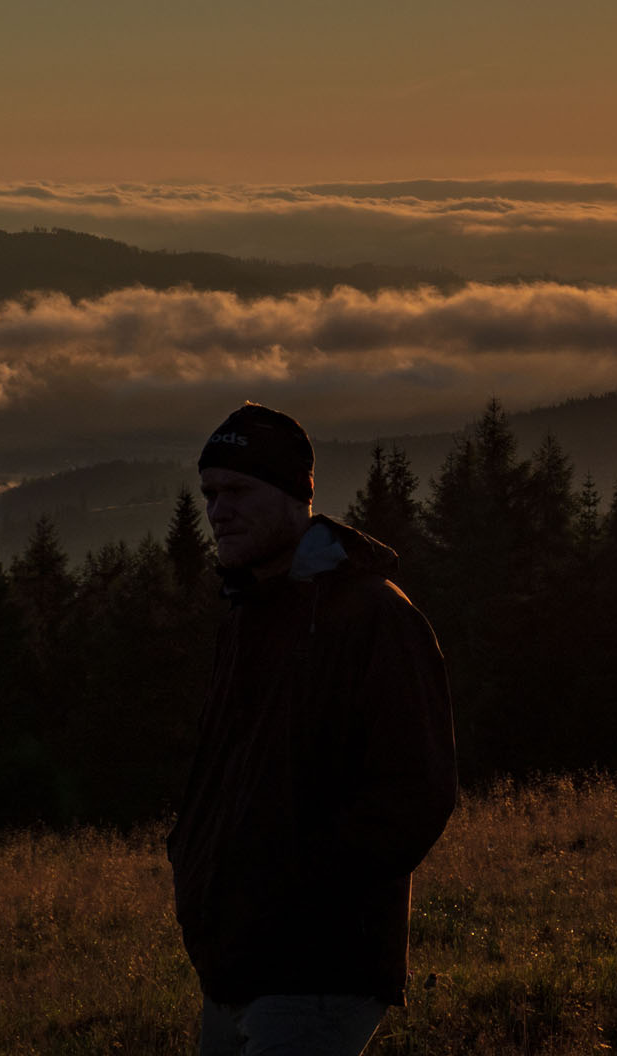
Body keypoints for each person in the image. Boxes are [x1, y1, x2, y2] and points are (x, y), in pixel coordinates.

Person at [168, 402, 457, 1056]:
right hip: (236, 966)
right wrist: (192, 857)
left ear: (293, 495)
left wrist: (297, 889)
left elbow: (417, 792)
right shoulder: (247, 618)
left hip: (318, 972)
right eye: (210, 494)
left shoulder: (374, 617)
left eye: (238, 491)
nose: (218, 511)